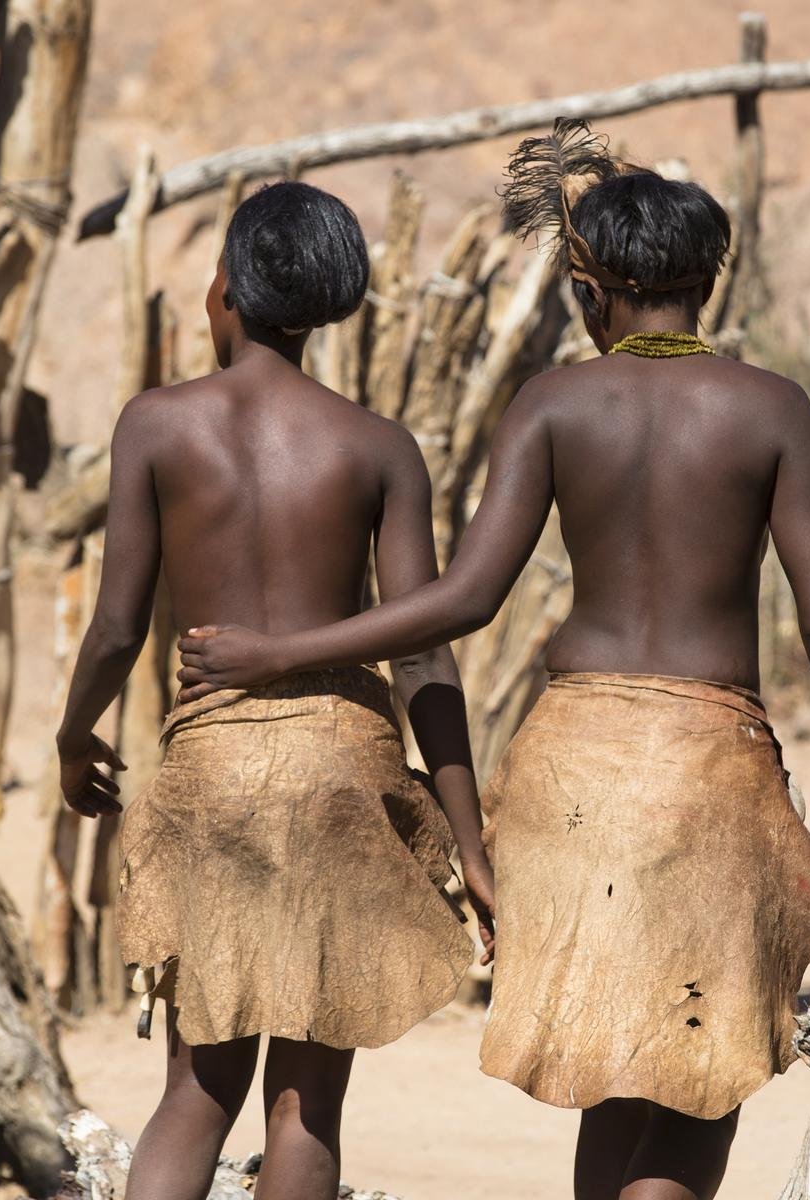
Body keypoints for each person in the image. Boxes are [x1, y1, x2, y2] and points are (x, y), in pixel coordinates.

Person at [173, 122, 810, 1200]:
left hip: (571, 776)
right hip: (708, 767)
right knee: (689, 1085)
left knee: (615, 1076)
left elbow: (462, 600)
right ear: (707, 278)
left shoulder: (555, 405)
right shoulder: (771, 408)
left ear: (591, 293)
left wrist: (276, 651)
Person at [53, 181, 495, 1200]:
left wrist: (77, 734)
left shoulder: (157, 425)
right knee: (308, 1106)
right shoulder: (380, 447)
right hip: (345, 769)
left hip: (214, 769)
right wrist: (468, 842)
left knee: (197, 1089)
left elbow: (119, 624)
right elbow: (427, 649)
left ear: (229, 293)